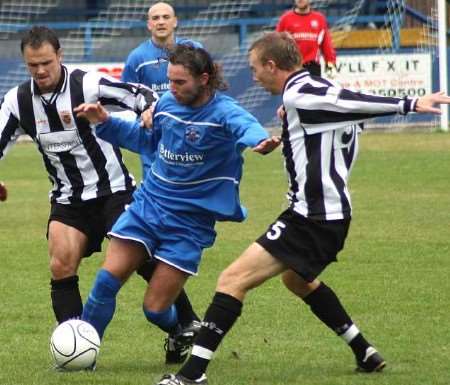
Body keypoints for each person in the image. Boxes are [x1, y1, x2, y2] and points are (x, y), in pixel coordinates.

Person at [156, 32, 450, 385]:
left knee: (232, 279)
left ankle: (192, 375)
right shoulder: (310, 90)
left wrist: (410, 104)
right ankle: (365, 352)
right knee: (297, 280)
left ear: (271, 65)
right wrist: (290, 113)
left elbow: (351, 101)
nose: (253, 77)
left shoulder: (302, 93)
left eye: (254, 69)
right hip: (331, 215)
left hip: (311, 216)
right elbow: (336, 108)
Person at [0, 25, 196, 365]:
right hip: (68, 198)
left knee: (139, 258)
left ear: (59, 56)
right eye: (33, 65)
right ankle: (78, 352)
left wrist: (149, 110)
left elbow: (138, 94)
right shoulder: (16, 101)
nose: (41, 71)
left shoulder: (87, 84)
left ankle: (186, 322)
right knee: (60, 263)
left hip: (114, 191)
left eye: (46, 62)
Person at [75, 44, 280, 367]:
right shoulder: (167, 105)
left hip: (189, 224)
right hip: (149, 206)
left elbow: (247, 127)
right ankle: (84, 356)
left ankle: (180, 329)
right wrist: (105, 121)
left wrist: (260, 141)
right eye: (169, 81)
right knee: (105, 282)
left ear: (204, 78)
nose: (171, 89)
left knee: (154, 309)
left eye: (179, 82)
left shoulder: (224, 112)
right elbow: (145, 141)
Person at [121, 2, 203, 175]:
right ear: (149, 24)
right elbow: (126, 98)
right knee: (155, 185)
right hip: (154, 133)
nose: (160, 22)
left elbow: (207, 86)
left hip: (189, 128)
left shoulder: (193, 50)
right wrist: (142, 116)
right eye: (155, 18)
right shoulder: (137, 58)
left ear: (175, 22)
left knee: (191, 182)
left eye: (166, 17)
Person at [276, 0, 337, 78]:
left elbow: (326, 45)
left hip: (313, 68)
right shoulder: (285, 19)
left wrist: (330, 67)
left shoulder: (319, 19)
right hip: (292, 68)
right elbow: (277, 45)